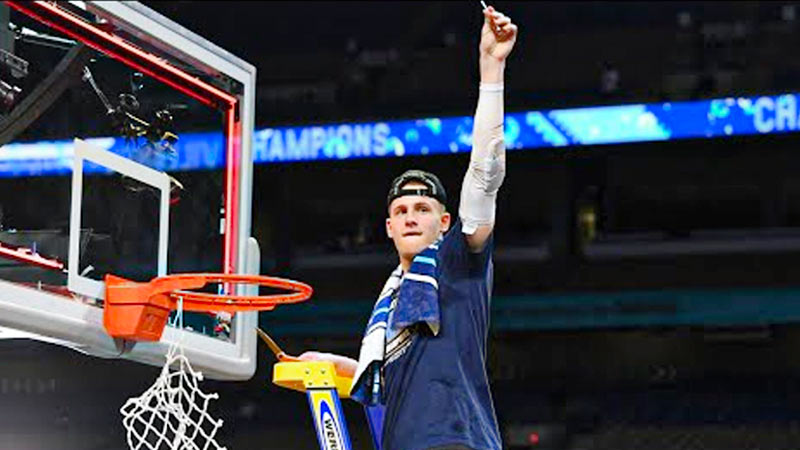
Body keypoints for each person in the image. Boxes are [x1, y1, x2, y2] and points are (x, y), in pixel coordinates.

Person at [299, 5, 517, 449]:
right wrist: (336, 365)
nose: (411, 216)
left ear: (445, 222)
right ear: (388, 227)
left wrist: (491, 68)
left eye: (422, 207)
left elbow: (485, 173)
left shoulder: (457, 262)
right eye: (401, 211)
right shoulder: (395, 299)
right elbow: (395, 372)